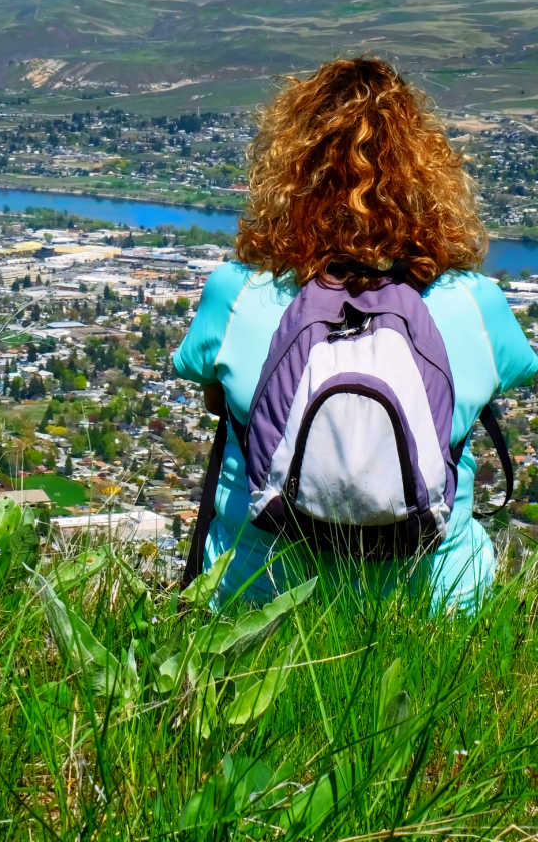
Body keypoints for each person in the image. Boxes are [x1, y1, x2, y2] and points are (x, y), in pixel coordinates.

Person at [173, 56, 537, 612]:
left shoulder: (239, 293)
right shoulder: (474, 302)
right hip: (438, 605)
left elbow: (206, 384)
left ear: (289, 173)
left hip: (255, 601)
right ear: (429, 176)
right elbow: (507, 376)